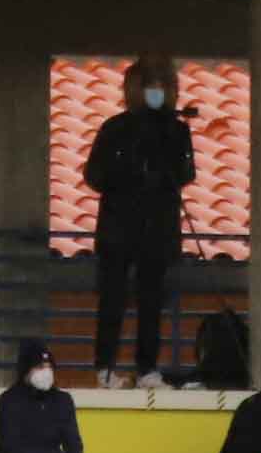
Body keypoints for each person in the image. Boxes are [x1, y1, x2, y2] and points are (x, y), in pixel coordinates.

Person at [80, 58, 195, 381]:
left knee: (151, 302)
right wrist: (128, 172)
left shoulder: (176, 130)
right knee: (112, 300)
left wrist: (163, 169)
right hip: (118, 229)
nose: (156, 93)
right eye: (150, 86)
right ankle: (105, 367)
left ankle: (147, 368)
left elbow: (187, 173)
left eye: (161, 86)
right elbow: (94, 175)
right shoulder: (115, 128)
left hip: (158, 230)